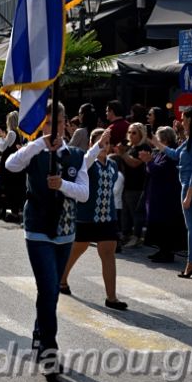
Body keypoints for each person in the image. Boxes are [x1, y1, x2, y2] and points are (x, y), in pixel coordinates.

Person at [5, 101, 89, 379]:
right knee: (49, 287)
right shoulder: (34, 152)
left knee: (49, 291)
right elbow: (11, 164)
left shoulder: (77, 155)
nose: (55, 129)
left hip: (65, 231)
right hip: (38, 229)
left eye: (59, 123)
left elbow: (84, 193)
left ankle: (40, 333)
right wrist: (39, 144)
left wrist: (63, 185)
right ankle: (50, 351)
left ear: (67, 124)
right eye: (49, 124)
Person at [60, 128, 126, 310]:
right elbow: (86, 164)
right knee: (77, 250)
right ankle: (62, 279)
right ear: (92, 145)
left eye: (106, 143)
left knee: (108, 253)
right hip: (86, 217)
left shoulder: (113, 165)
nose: (104, 146)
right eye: (100, 143)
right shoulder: (86, 163)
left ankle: (111, 298)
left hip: (108, 217)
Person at [152, 105, 192, 278]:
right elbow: (175, 154)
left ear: (190, 120)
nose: (181, 121)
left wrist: (189, 194)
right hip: (189, 184)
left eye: (184, 118)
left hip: (191, 186)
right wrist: (154, 142)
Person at [139, 126, 184, 263]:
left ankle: (167, 252)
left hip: (167, 197)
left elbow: (161, 171)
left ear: (164, 140)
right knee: (158, 225)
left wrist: (149, 161)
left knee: (165, 225)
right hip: (157, 195)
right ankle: (161, 250)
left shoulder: (171, 153)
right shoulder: (160, 152)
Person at [116, 122, 150, 248]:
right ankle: (126, 234)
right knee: (126, 212)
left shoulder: (144, 147)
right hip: (127, 184)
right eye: (129, 132)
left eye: (134, 132)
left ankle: (136, 237)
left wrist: (122, 154)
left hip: (137, 185)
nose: (131, 135)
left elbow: (135, 163)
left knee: (136, 212)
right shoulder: (131, 147)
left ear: (141, 134)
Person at [0, 110, 25, 222]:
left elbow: (2, 147)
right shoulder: (19, 133)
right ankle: (8, 212)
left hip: (8, 166)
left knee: (6, 188)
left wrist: (0, 136)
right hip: (16, 165)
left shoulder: (12, 133)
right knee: (13, 188)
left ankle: (9, 213)